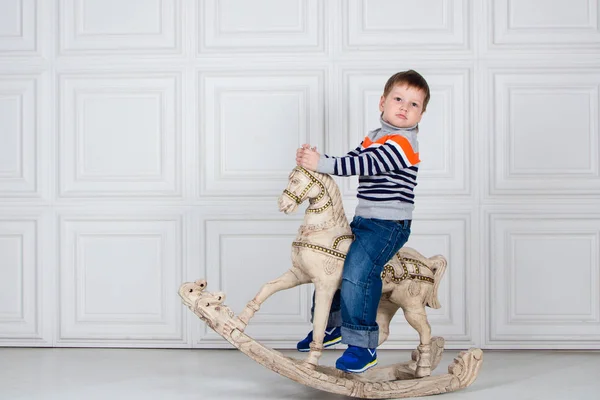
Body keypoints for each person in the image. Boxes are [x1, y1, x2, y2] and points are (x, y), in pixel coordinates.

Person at [295, 70, 430, 373]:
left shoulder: (403, 143)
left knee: (358, 271)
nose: (404, 107)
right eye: (398, 99)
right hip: (365, 218)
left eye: (414, 104)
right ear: (382, 102)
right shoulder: (375, 137)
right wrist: (319, 160)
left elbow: (363, 164)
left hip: (388, 225)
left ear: (421, 113)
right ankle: (331, 326)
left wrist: (324, 164)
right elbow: (352, 156)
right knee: (335, 263)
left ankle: (362, 344)